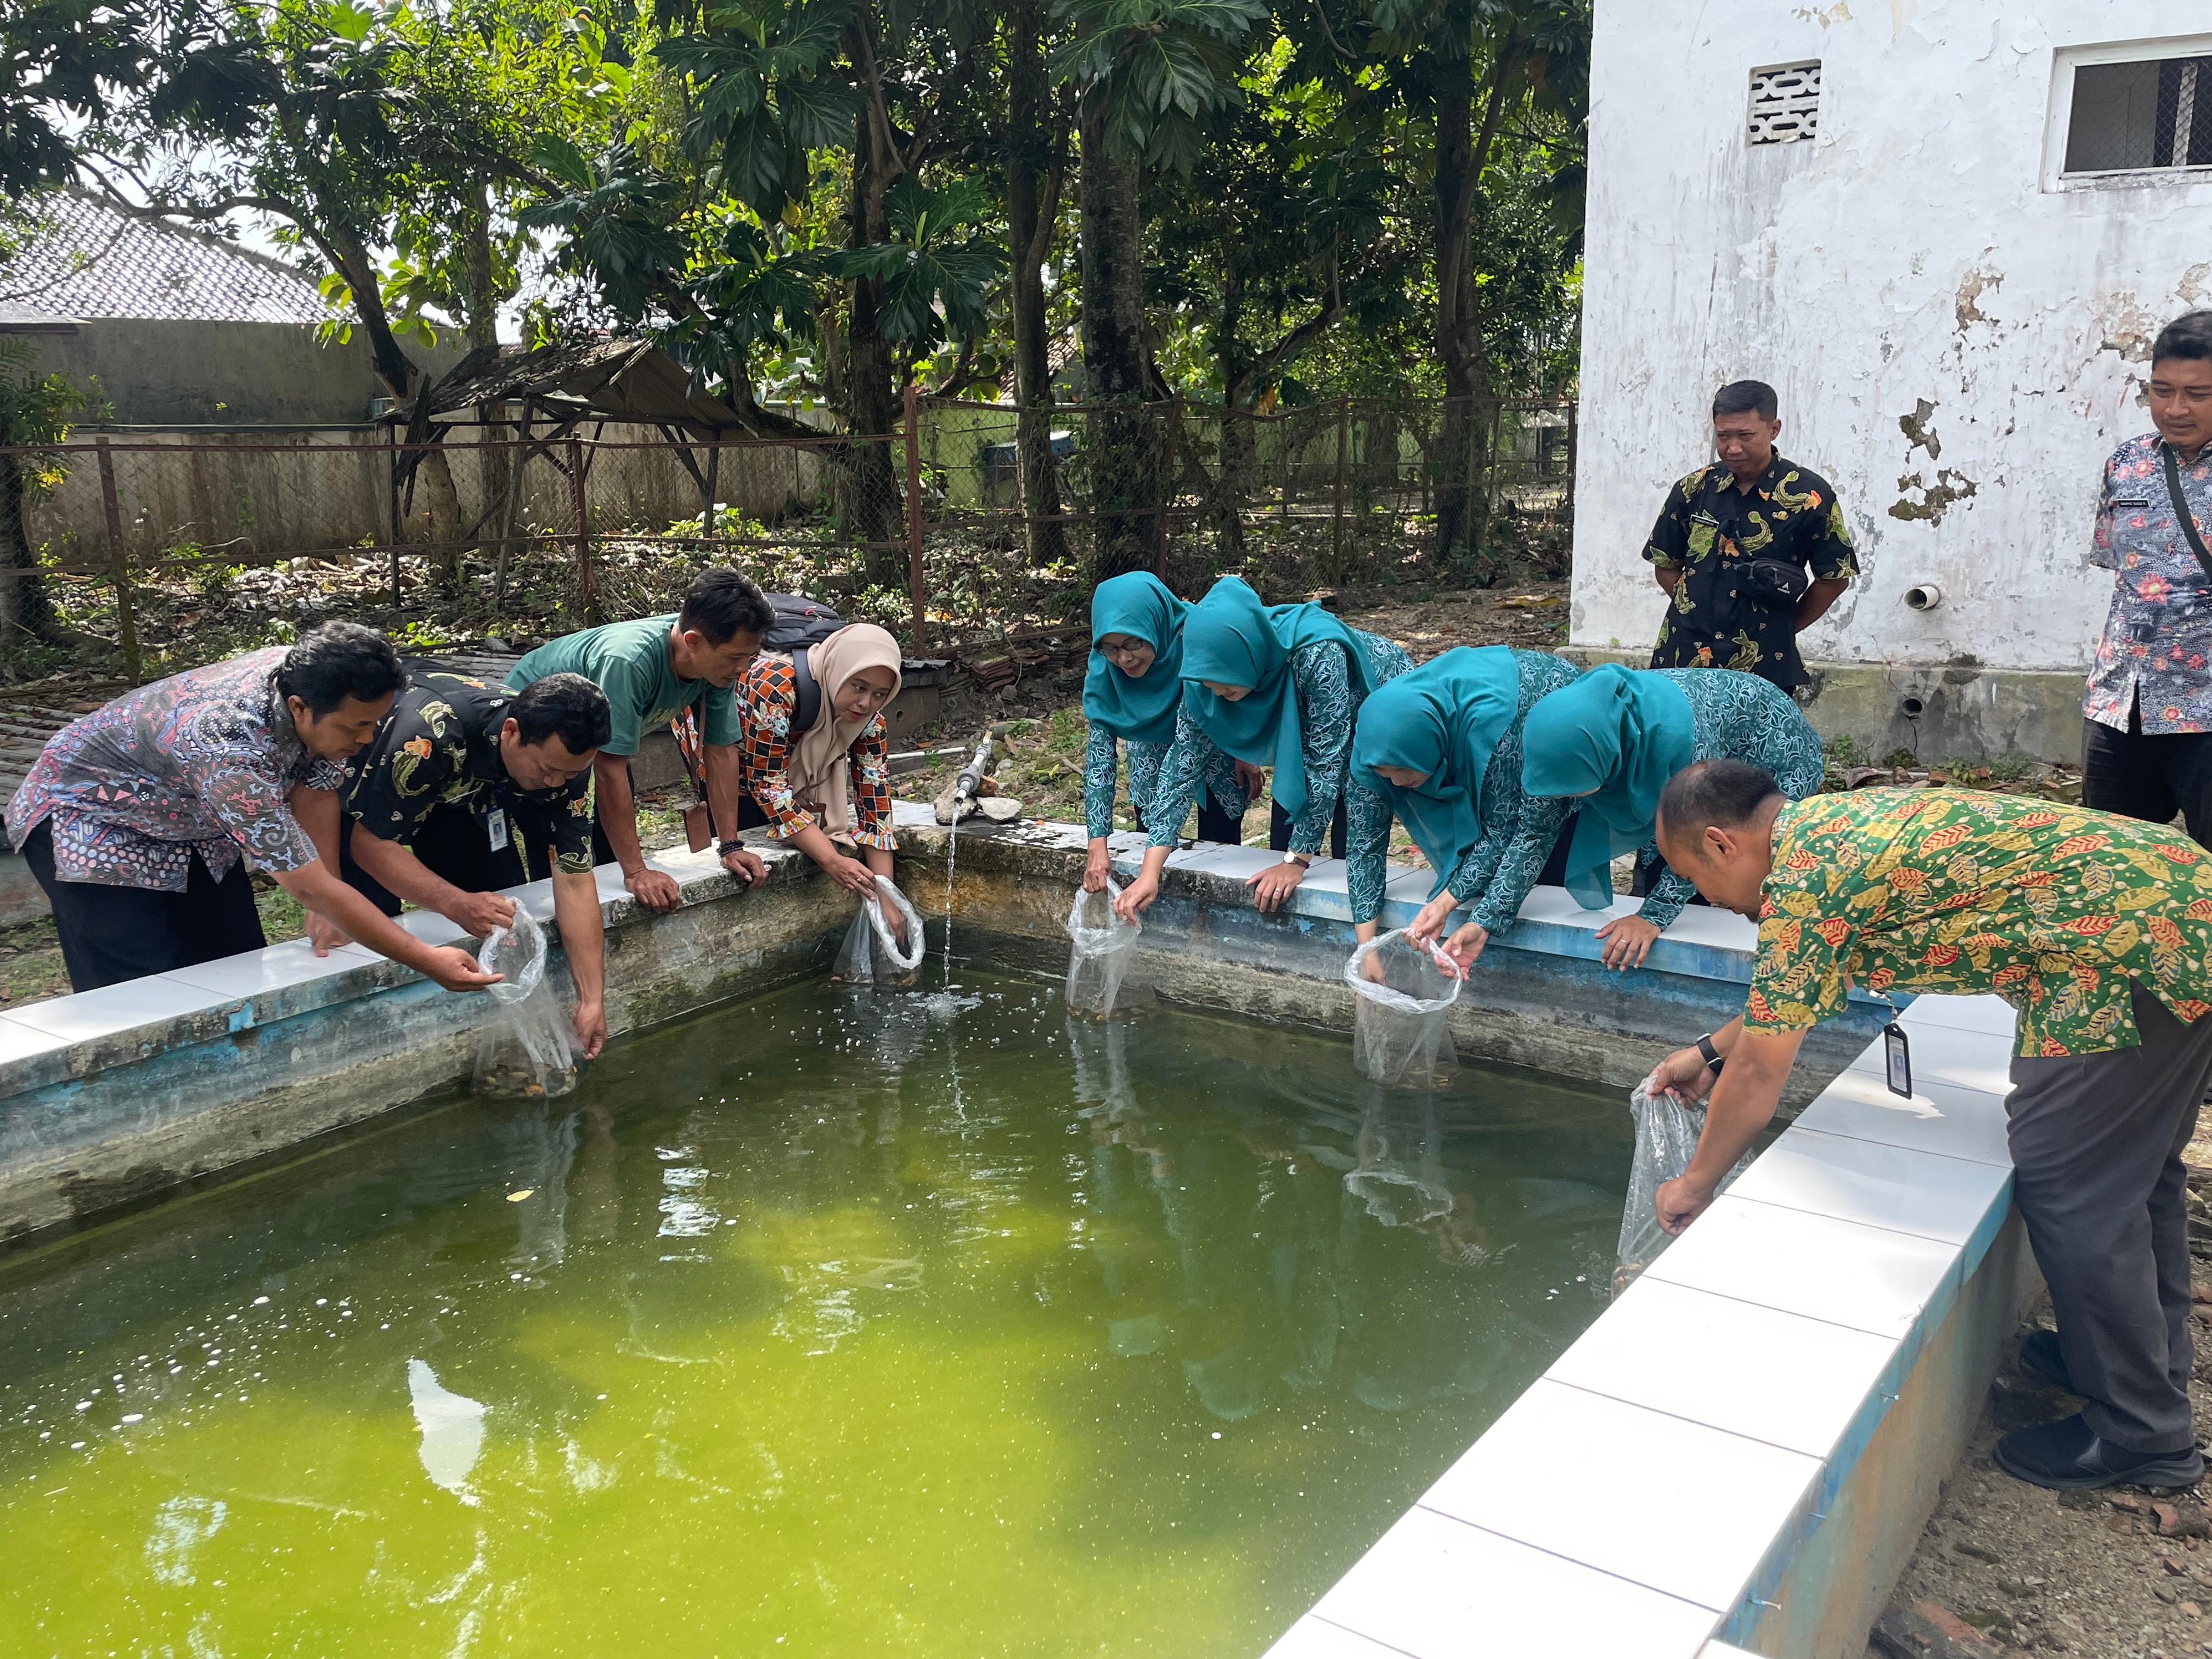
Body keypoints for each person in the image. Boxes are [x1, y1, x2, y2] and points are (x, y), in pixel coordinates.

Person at [1646, 760, 2212, 1493]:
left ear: (1722, 845)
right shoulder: (1828, 838)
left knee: (2071, 1177)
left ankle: (2144, 1433)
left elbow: (1762, 1070)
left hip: (2126, 950)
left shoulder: (1806, 881)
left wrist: (1694, 1183)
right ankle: (2126, 1356)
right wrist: (1705, 1053)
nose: (1699, 895)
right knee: (2135, 1173)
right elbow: (1794, 994)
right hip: (2170, 909)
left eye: (1689, 872)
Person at [5, 624, 498, 997]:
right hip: (92, 816)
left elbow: (317, 790)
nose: (368, 738)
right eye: (357, 727)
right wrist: (426, 960)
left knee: (233, 958)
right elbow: (305, 884)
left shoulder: (309, 675)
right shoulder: (223, 741)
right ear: (301, 708)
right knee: (139, 981)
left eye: (376, 722)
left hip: (188, 815)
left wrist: (330, 898)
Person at [339, 668, 615, 1059]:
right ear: (512, 732)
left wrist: (591, 999)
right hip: (371, 792)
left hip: (468, 793)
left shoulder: (569, 762)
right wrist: (453, 902)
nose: (557, 784)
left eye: (569, 773)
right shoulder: (431, 733)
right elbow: (371, 845)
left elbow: (573, 877)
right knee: (369, 915)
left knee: (497, 911)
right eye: (547, 770)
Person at [1116, 576, 1412, 921]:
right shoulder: (1203, 681)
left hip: (1370, 699)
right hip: (1302, 711)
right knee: (1286, 839)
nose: (1216, 695)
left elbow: (1325, 765)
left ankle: (1359, 927)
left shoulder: (1318, 656)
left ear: (1244, 657)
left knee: (1356, 814)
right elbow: (1180, 770)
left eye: (1223, 685)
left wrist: (1296, 862)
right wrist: (1150, 871)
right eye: (1208, 685)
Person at [1506, 664, 1821, 972]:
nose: (1562, 801)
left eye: (1569, 791)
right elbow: (1536, 831)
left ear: (1606, 759)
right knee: (1666, 864)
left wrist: (1654, 916)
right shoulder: (1562, 740)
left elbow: (1697, 843)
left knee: (1757, 875)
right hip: (1686, 761)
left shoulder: (1680, 743)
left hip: (1773, 746)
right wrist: (1489, 917)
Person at [505, 568, 771, 913]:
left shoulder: (717, 668)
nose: (744, 668)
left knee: (602, 853)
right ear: (693, 641)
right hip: (539, 744)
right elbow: (609, 766)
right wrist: (636, 871)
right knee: (560, 857)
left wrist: (730, 845)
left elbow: (720, 753)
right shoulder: (628, 661)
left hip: (594, 750)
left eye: (749, 656)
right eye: (736, 657)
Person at [1345, 645, 1581, 961]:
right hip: (1471, 732)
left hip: (1536, 710)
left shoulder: (1495, 733)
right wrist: (1366, 951)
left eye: (1404, 769)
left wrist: (1446, 903)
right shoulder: (1371, 750)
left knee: (1545, 861)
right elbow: (1364, 846)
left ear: (1430, 744)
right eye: (1385, 774)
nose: (1398, 784)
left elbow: (1509, 833)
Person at [2082, 310, 2212, 846]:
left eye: (2197, 394)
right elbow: (2126, 578)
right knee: (2113, 860)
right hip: (2121, 702)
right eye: (2162, 390)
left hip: (2206, 707)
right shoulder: (2127, 462)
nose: (2174, 409)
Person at [1644, 380, 1857, 692]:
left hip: (1765, 663)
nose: (1733, 447)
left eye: (1745, 436)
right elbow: (1665, 562)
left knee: (1754, 741)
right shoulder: (1692, 490)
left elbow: (1834, 577)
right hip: (1684, 654)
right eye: (1723, 436)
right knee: (1679, 739)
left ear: (1774, 429)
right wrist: (1697, 608)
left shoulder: (1809, 495)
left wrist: (1783, 628)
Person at [1080, 572, 1254, 893]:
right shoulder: (1105, 669)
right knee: (1151, 840)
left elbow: (1234, 684)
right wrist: (1097, 843)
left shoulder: (1196, 638)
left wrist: (1242, 747)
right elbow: (1099, 761)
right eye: (1111, 647)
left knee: (1221, 851)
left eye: (1135, 642)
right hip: (1149, 752)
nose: (1124, 658)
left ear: (1155, 625)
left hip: (1210, 744)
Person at [735, 622, 907, 939]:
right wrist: (831, 861)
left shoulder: (869, 719)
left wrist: (888, 899)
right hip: (732, 764)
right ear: (839, 670)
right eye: (859, 687)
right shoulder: (775, 686)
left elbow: (875, 802)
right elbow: (767, 785)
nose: (866, 703)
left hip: (783, 771)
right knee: (743, 839)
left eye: (880, 694)